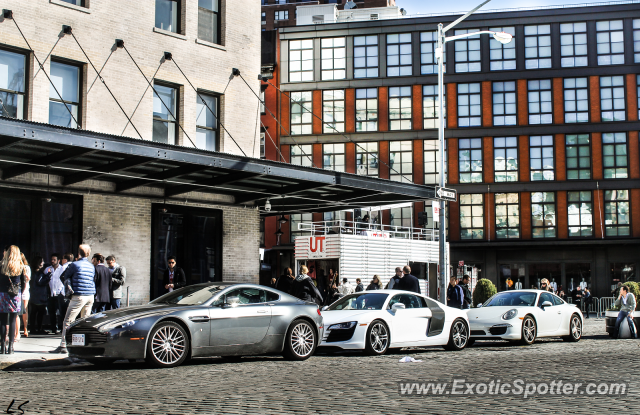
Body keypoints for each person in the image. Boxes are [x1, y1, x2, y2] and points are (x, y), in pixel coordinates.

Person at [50, 244, 96, 354]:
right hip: (90, 295)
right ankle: (83, 346)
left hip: (79, 295)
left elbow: (64, 276)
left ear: (78, 253)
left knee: (68, 321)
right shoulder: (91, 266)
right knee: (85, 321)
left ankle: (63, 345)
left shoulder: (74, 265)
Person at [0, 246, 25, 354]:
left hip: (2, 294)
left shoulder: (1, 265)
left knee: (3, 321)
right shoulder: (20, 266)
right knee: (13, 320)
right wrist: (19, 292)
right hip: (15, 295)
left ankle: (2, 347)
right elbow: (23, 283)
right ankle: (10, 347)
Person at [44, 253, 66, 335]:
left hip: (60, 293)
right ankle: (54, 328)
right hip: (51, 293)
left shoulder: (62, 269)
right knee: (52, 312)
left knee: (61, 312)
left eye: (54, 260)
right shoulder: (48, 269)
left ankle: (62, 329)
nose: (52, 261)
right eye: (51, 260)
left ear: (58, 260)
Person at [29, 256, 49, 334]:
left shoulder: (32, 271)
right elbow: (40, 282)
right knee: (40, 313)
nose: (43, 263)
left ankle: (32, 328)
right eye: (42, 261)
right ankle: (39, 328)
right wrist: (48, 276)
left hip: (33, 295)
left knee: (33, 313)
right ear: (39, 263)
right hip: (40, 296)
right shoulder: (40, 273)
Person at [17, 253, 31, 340]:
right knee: (21, 310)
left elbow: (27, 278)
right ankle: (22, 329)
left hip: (22, 289)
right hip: (22, 289)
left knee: (21, 309)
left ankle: (22, 329)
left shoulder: (24, 267)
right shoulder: (24, 267)